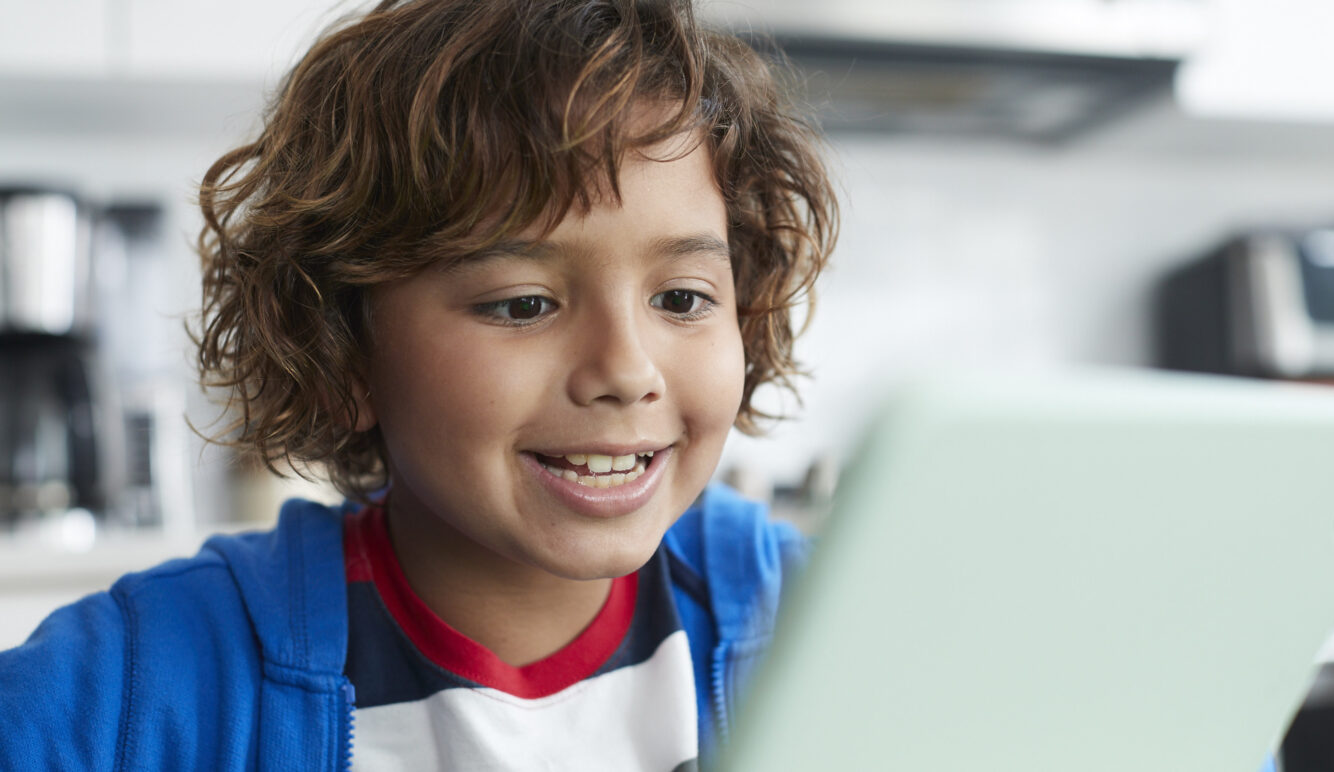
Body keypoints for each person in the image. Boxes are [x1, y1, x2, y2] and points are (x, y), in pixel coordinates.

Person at [0, 0, 836, 768]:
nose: (626, 370)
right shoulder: (152, 683)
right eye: (523, 304)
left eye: (682, 298)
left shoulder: (829, 624)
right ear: (344, 348)